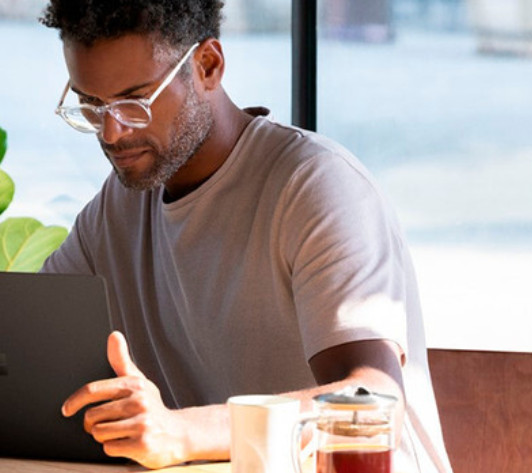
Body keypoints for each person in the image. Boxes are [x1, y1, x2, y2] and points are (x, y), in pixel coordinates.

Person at [38, 1, 452, 471]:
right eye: (92, 105)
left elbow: (372, 398)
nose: (112, 134)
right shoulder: (120, 206)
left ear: (207, 66)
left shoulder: (314, 185)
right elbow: (26, 338)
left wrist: (183, 431)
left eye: (134, 103)